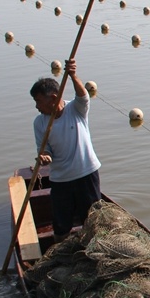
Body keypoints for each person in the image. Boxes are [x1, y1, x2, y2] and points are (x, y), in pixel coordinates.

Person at [30, 58, 101, 241]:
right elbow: (44, 149)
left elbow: (83, 96)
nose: (37, 106)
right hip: (61, 179)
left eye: (38, 101)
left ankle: (93, 252)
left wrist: (72, 75)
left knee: (93, 221)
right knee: (61, 224)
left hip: (86, 173)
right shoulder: (40, 123)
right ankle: (61, 257)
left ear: (53, 98)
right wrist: (45, 156)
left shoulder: (75, 109)